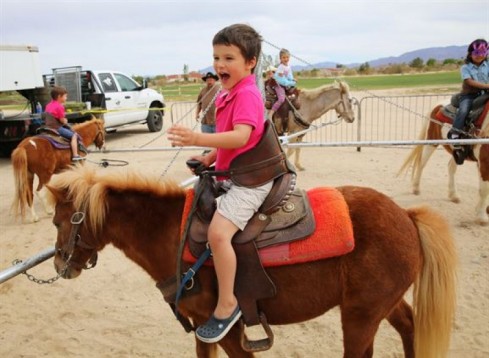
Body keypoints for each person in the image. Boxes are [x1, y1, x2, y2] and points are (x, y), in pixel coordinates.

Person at [167, 23, 273, 343]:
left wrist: (198, 137)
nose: (220, 65)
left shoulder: (248, 94)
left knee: (217, 232)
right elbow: (236, 143)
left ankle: (228, 304)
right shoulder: (228, 93)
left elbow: (241, 135)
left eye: (229, 58)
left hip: (251, 180)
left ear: (251, 62)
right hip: (232, 171)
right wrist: (211, 156)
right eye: (216, 57)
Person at [449, 38, 489, 148]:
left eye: (483, 53)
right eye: (476, 53)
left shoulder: (488, 65)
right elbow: (469, 81)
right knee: (463, 110)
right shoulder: (465, 68)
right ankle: (455, 133)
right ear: (470, 54)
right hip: (469, 95)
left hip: (485, 93)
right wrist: (487, 86)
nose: (479, 56)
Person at [44, 86, 84, 161]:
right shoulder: (60, 106)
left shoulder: (48, 105)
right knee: (74, 135)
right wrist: (66, 120)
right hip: (56, 127)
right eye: (65, 96)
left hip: (47, 127)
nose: (66, 98)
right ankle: (75, 155)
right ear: (59, 96)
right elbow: (62, 121)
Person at [268, 48, 297, 119]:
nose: (286, 59)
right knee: (281, 99)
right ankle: (271, 113)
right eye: (284, 57)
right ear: (280, 58)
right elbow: (282, 81)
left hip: (285, 84)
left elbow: (289, 76)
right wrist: (291, 83)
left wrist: (293, 79)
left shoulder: (288, 67)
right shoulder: (281, 67)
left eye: (287, 57)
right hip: (278, 84)